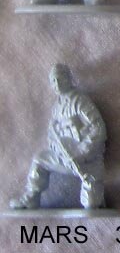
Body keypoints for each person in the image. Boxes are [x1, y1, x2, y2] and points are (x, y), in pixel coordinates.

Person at [11, 64, 107, 209]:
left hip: (87, 162)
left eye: (59, 79)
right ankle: (31, 197)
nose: (56, 84)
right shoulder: (57, 107)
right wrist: (58, 148)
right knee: (39, 159)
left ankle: (94, 195)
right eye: (53, 81)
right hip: (64, 157)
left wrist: (81, 151)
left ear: (68, 79)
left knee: (92, 205)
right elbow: (52, 134)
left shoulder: (80, 102)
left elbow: (98, 129)